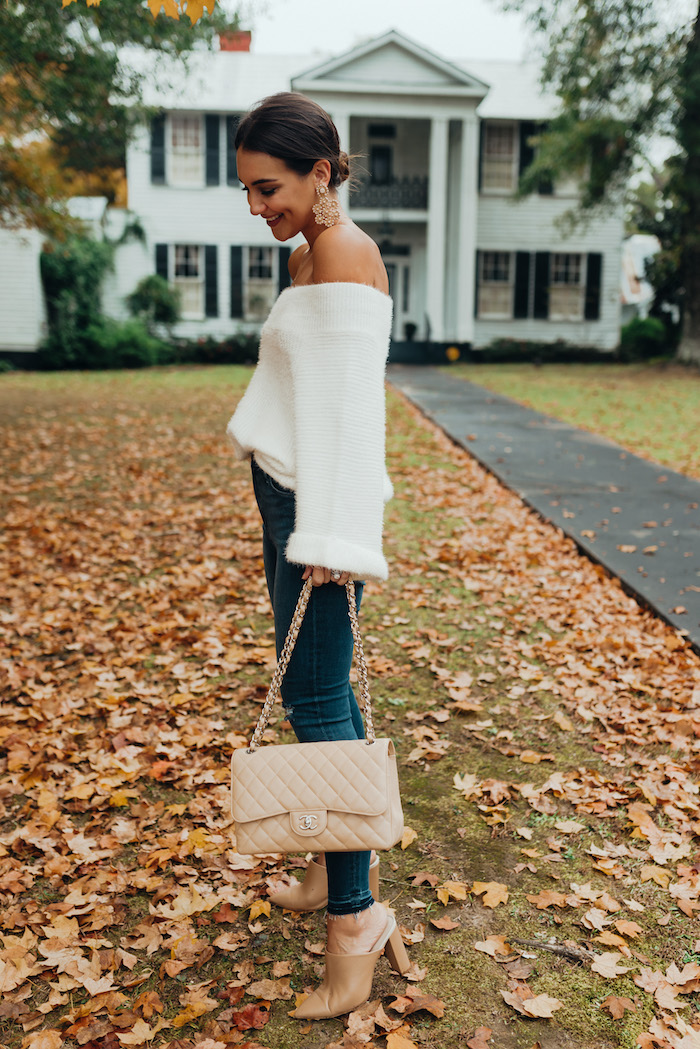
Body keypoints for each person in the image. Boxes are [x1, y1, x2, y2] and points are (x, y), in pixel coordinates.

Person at [226, 92, 409, 1019]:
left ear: (323, 172)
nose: (259, 208)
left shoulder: (342, 254)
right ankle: (325, 853)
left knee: (320, 701)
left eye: (270, 188)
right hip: (290, 498)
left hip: (315, 515)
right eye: (249, 192)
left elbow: (350, 415)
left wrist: (332, 542)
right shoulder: (309, 253)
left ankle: (355, 918)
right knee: (312, 693)